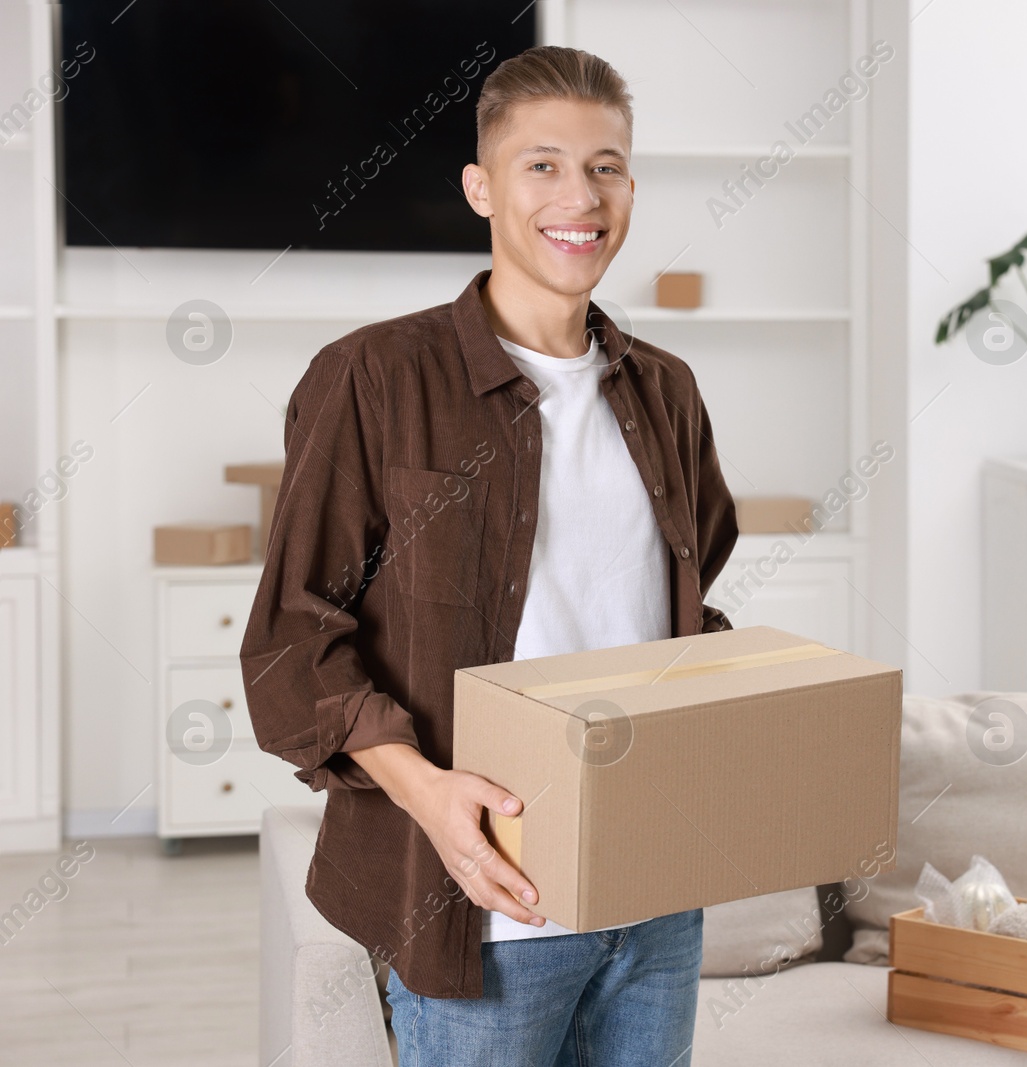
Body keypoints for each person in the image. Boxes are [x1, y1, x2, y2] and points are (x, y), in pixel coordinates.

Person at [240, 45, 739, 1066]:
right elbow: (294, 642)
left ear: (631, 188)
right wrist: (427, 792)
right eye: (543, 164)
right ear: (480, 186)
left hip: (653, 902)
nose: (580, 196)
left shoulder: (668, 393)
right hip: (480, 910)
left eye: (605, 166)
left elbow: (690, 614)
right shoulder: (374, 378)